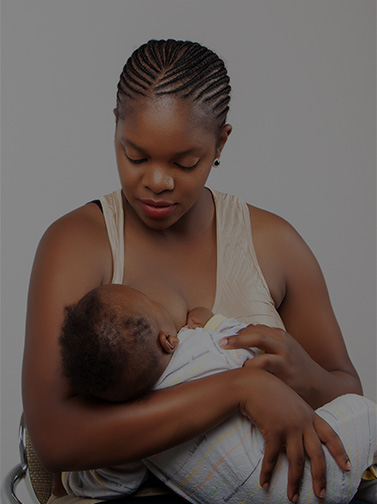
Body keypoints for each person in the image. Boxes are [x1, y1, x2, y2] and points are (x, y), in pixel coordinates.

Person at [22, 39, 372, 504]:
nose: (158, 181)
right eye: (136, 156)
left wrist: (304, 373)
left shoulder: (274, 244)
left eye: (185, 163)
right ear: (115, 128)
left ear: (221, 142)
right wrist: (238, 389)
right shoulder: (78, 244)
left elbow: (349, 394)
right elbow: (56, 438)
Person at [57, 284, 377, 503]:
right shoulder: (200, 347)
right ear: (168, 340)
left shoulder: (137, 440)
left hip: (250, 496)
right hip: (318, 473)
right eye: (156, 305)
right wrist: (213, 322)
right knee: (362, 410)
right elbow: (246, 347)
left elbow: (113, 481)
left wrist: (74, 479)